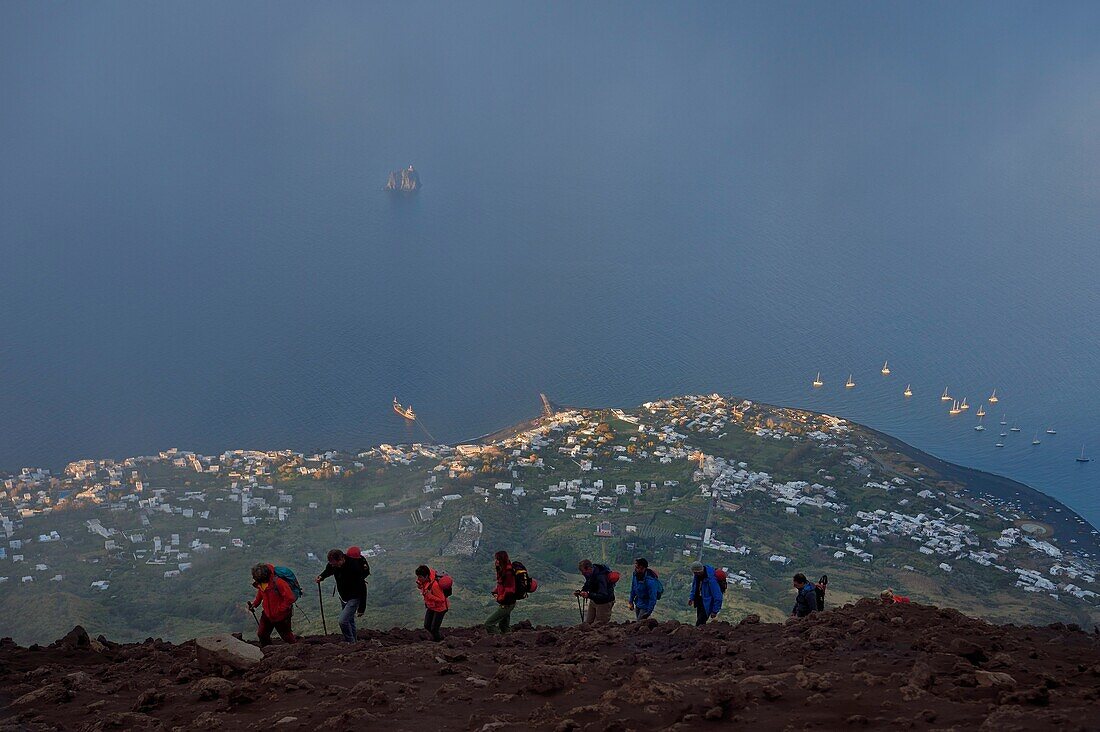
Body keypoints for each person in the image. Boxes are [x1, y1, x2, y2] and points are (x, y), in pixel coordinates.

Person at [314, 548, 367, 643]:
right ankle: (354, 642)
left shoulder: (354, 567)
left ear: (342, 559)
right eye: (332, 563)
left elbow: (362, 587)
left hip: (354, 597)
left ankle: (350, 642)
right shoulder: (333, 565)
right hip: (343, 596)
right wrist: (322, 577)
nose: (333, 565)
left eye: (335, 563)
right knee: (350, 620)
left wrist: (361, 608)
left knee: (343, 621)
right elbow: (329, 570)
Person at [248, 563, 297, 646]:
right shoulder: (262, 582)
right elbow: (261, 592)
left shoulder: (279, 583)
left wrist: (280, 609)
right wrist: (255, 603)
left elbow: (290, 598)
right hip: (267, 614)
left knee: (287, 637)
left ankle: (296, 649)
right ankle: (268, 651)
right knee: (262, 634)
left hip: (281, 616)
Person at [484, 550, 516, 634]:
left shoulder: (508, 573)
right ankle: (508, 641)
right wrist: (495, 592)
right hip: (507, 602)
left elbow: (509, 590)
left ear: (501, 560)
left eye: (497, 559)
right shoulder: (503, 570)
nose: (496, 561)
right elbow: (502, 585)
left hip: (507, 603)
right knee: (504, 627)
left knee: (489, 624)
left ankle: (498, 639)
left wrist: (499, 598)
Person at [575, 559, 615, 624]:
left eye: (583, 572)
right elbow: (588, 583)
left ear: (589, 568)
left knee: (599, 625)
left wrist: (588, 595)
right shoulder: (591, 573)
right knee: (588, 623)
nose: (582, 574)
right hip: (594, 600)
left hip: (604, 603)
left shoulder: (601, 577)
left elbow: (604, 595)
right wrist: (581, 591)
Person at [415, 565, 448, 642]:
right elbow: (424, 587)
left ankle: (439, 642)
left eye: (420, 577)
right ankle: (433, 639)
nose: (418, 579)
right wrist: (420, 586)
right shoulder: (426, 580)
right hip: (432, 606)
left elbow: (442, 600)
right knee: (427, 626)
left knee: (434, 629)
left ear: (426, 576)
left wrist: (430, 596)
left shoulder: (435, 585)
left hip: (440, 608)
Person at [687, 561, 723, 626]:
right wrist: (691, 597)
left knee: (700, 622)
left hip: (708, 603)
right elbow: (695, 586)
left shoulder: (711, 580)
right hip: (700, 600)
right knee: (700, 620)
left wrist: (715, 611)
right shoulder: (697, 576)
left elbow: (718, 596)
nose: (694, 574)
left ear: (698, 571)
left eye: (695, 572)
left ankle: (697, 634)